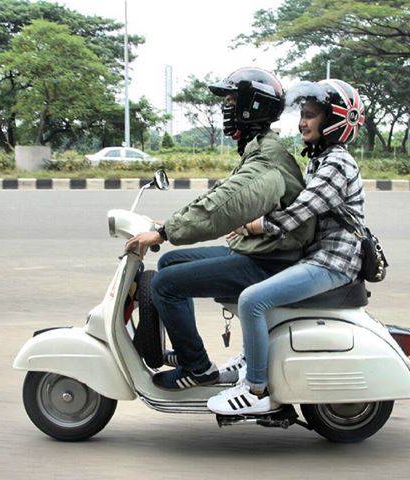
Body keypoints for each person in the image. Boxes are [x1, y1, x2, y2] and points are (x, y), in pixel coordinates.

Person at [125, 67, 315, 393]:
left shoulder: (267, 161)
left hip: (271, 261)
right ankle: (188, 350)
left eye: (231, 101)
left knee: (166, 284)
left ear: (251, 106)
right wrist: (167, 225)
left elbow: (222, 207)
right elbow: (219, 196)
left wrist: (165, 234)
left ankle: (197, 368)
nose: (226, 108)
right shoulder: (259, 148)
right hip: (262, 250)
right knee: (169, 263)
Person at [207, 78, 367, 415]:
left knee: (252, 300)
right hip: (317, 256)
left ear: (333, 121)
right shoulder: (320, 158)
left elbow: (299, 212)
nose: (302, 122)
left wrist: (254, 225)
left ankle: (256, 389)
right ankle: (252, 358)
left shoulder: (337, 164)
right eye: (302, 114)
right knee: (254, 282)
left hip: (332, 263)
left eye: (310, 115)